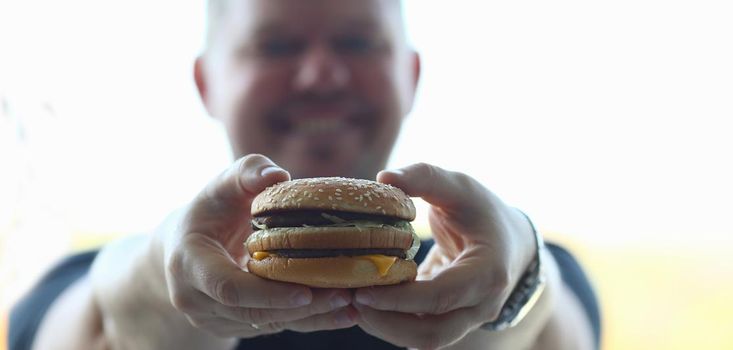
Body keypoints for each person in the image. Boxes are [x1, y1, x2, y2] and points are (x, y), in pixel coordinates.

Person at [7, 0, 601, 349]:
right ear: (206, 82)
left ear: (411, 76)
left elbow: (551, 327)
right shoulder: (73, 281)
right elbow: (101, 321)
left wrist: (522, 270)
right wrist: (161, 280)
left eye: (357, 42)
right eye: (276, 46)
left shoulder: (548, 267)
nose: (321, 75)